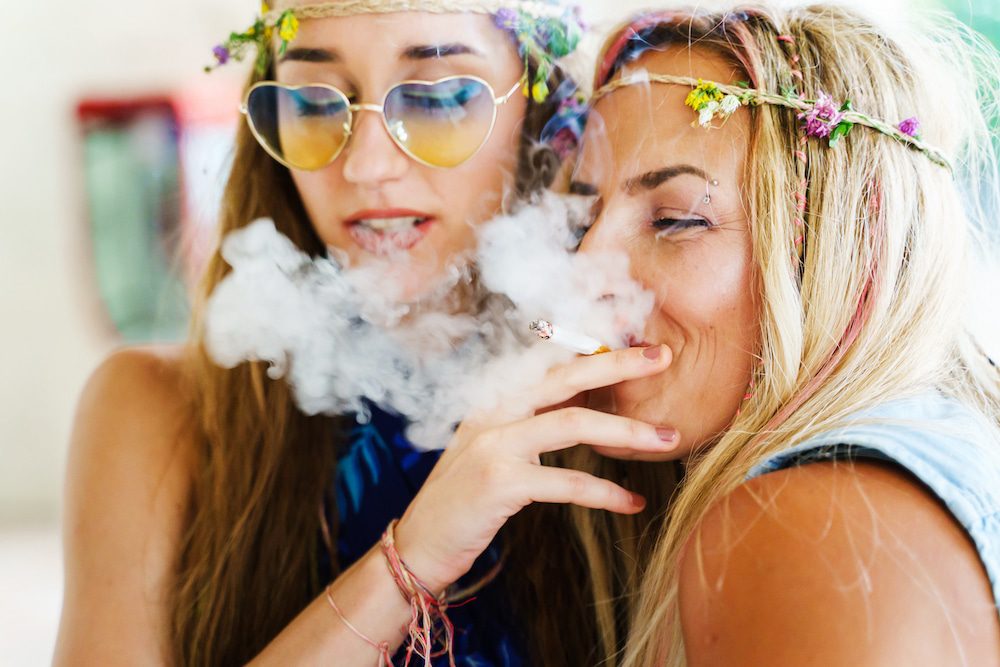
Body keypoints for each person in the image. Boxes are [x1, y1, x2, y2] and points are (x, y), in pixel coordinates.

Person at [53, 1, 683, 665]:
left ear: (543, 116)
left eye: (438, 98)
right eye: (316, 102)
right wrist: (408, 562)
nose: (365, 166)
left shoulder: (639, 402)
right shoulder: (155, 410)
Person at [514, 5, 999, 664]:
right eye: (581, 222)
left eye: (676, 220)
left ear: (834, 245)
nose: (581, 274)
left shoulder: (811, 527)